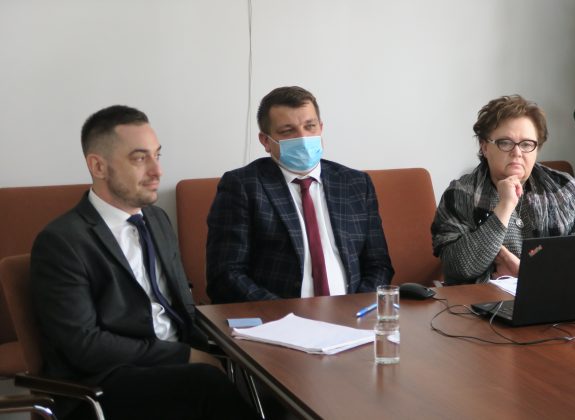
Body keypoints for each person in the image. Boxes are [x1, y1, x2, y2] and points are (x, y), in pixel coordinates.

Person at [30, 105, 257, 419]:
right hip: (105, 382)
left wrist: (237, 336)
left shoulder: (156, 219)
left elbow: (182, 304)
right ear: (98, 166)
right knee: (206, 383)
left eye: (157, 155)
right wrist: (184, 355)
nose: (157, 171)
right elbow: (85, 346)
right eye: (140, 159)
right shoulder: (62, 241)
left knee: (261, 366)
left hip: (174, 362)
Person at [206, 86, 394, 303]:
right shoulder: (242, 186)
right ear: (265, 141)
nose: (303, 138)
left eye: (310, 126)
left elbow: (378, 264)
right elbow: (226, 274)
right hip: (278, 316)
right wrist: (284, 313)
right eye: (288, 131)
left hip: (352, 313)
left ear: (321, 128)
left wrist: (357, 306)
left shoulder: (356, 183)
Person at [431, 95, 575, 284]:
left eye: (527, 144)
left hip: (556, 298)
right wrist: (505, 206)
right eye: (505, 143)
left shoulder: (564, 188)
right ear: (484, 146)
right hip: (484, 301)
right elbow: (458, 266)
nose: (517, 153)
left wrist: (528, 273)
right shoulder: (460, 195)